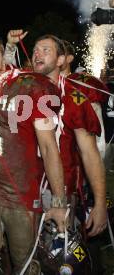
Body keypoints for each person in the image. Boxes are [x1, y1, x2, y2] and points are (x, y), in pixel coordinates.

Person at [0, 33, 67, 274]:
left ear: (3, 57)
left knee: (26, 265)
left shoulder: (29, 87)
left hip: (22, 196)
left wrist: (59, 202)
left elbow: (49, 148)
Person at [32, 34, 107, 237]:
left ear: (61, 60)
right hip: (20, 192)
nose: (38, 53)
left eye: (45, 50)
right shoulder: (21, 92)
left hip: (60, 192)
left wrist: (100, 203)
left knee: (60, 259)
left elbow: (90, 153)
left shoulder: (74, 97)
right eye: (35, 50)